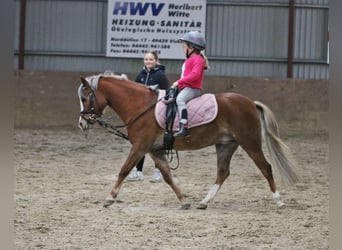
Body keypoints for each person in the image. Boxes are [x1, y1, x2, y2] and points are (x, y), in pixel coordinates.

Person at [127, 51, 170, 182]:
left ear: (156, 61)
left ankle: (159, 172)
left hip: (156, 112)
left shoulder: (161, 75)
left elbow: (167, 93)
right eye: (146, 59)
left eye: (151, 59)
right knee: (141, 142)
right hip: (142, 114)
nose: (148, 62)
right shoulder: (140, 75)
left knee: (157, 142)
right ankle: (138, 171)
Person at [171, 31, 209, 137]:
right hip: (186, 87)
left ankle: (184, 127)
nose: (183, 50)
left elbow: (195, 75)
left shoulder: (197, 59)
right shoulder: (190, 59)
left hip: (193, 88)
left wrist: (178, 82)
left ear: (191, 48)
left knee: (180, 99)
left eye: (184, 47)